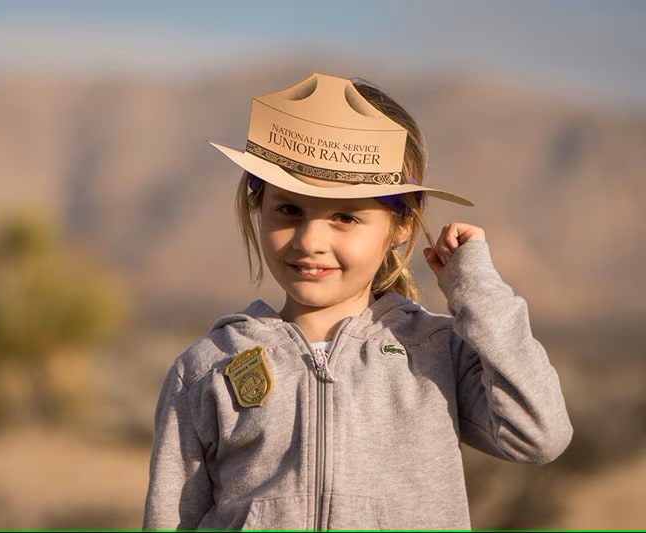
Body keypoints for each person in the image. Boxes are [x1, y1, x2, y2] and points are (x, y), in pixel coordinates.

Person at [142, 72, 572, 530]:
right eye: (289, 209)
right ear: (257, 206)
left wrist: (477, 288)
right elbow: (172, 520)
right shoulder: (207, 367)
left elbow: (539, 434)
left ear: (401, 225)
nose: (310, 240)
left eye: (345, 216)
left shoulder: (437, 353)